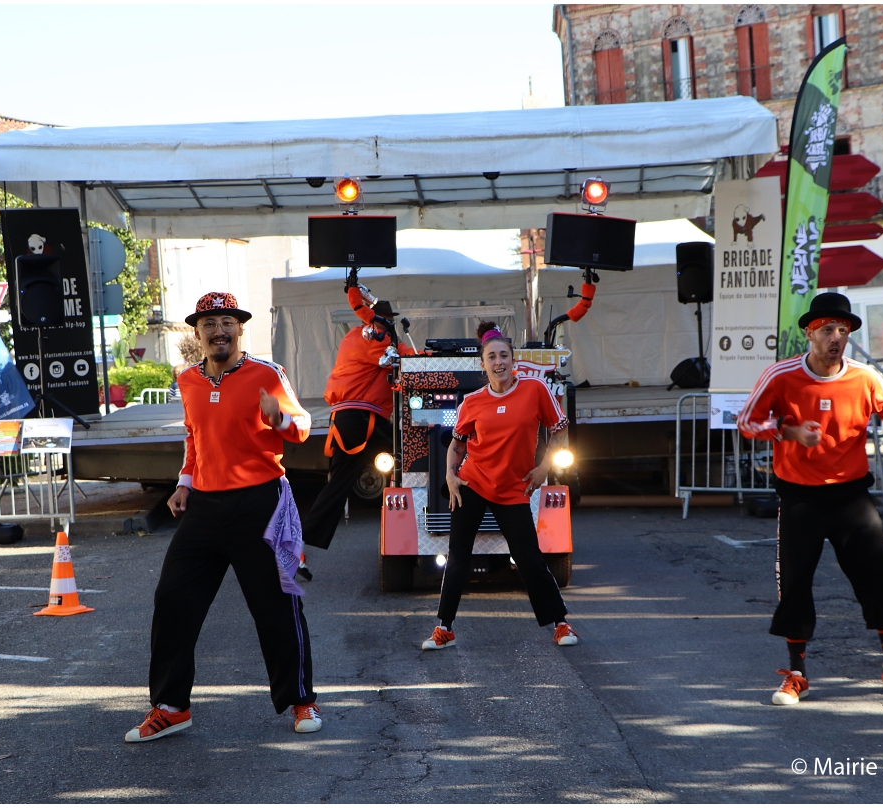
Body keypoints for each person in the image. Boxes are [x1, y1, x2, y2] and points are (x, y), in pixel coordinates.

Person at [125, 292, 322, 743]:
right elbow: (194, 439)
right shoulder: (187, 381)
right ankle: (171, 708)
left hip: (260, 503)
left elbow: (303, 426)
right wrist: (184, 483)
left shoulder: (266, 374)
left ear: (239, 328)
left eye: (226, 322)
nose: (219, 330)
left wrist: (279, 420)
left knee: (277, 607)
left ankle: (301, 700)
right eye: (209, 323)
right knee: (173, 600)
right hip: (205, 507)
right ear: (198, 332)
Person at [739, 292, 883, 706]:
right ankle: (796, 674)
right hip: (800, 497)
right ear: (809, 333)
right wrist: (789, 432)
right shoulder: (781, 376)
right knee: (795, 584)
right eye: (827, 329)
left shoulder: (865, 376)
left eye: (842, 330)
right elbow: (746, 421)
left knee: (878, 577)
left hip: (850, 495)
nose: (836, 338)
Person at [421, 322, 579, 651]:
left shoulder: (535, 390)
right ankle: (444, 629)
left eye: (504, 355)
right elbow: (457, 444)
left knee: (530, 559)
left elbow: (559, 429)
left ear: (514, 360)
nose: (499, 362)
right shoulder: (472, 402)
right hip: (474, 483)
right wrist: (451, 476)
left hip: (513, 489)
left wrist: (544, 467)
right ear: (483, 364)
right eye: (492, 356)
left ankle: (560, 624)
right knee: (458, 558)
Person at [297, 287, 414, 579]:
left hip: (344, 419)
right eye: (388, 320)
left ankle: (297, 547)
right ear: (382, 319)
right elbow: (413, 361)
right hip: (363, 418)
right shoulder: (376, 337)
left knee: (337, 486)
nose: (390, 326)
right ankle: (427, 521)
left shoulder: (353, 337)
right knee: (415, 454)